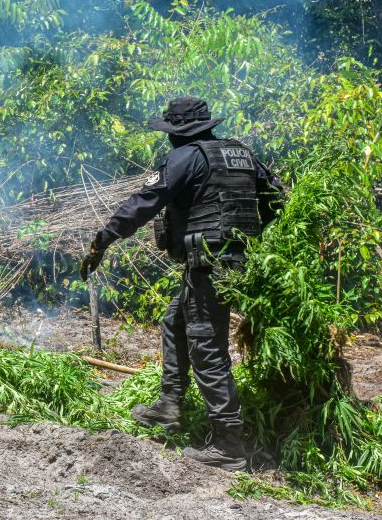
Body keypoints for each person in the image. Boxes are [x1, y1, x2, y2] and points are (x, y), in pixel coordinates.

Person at [80, 97, 284, 471]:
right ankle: (169, 406)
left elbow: (145, 202)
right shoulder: (241, 154)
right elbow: (277, 199)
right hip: (228, 263)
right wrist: (246, 240)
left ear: (178, 132)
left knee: (206, 347)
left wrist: (102, 240)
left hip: (208, 264)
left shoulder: (185, 157)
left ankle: (229, 445)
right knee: (175, 322)